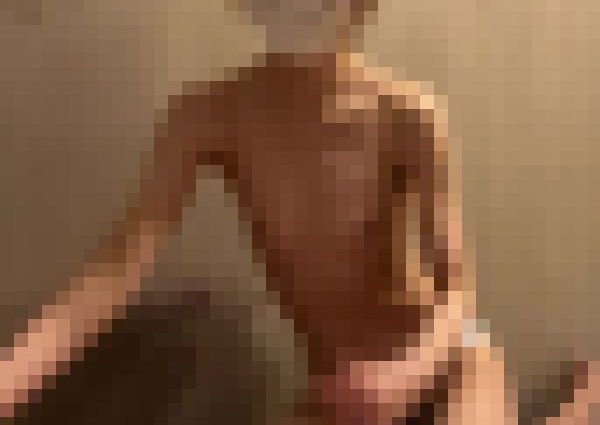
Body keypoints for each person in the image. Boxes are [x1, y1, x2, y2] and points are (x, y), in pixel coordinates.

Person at [0, 1, 594, 423]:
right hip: (341, 389)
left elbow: (460, 296)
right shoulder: (211, 115)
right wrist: (13, 376)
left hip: (447, 359)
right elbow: (113, 274)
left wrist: (411, 369)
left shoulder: (408, 115)